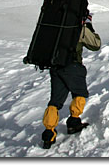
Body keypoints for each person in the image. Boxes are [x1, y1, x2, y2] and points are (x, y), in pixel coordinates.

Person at [41, 11, 101, 149]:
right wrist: (88, 26)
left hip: (55, 67)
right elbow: (95, 44)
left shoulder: (54, 25)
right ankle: (74, 121)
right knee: (79, 93)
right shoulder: (76, 27)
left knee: (55, 101)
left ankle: (48, 133)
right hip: (73, 66)